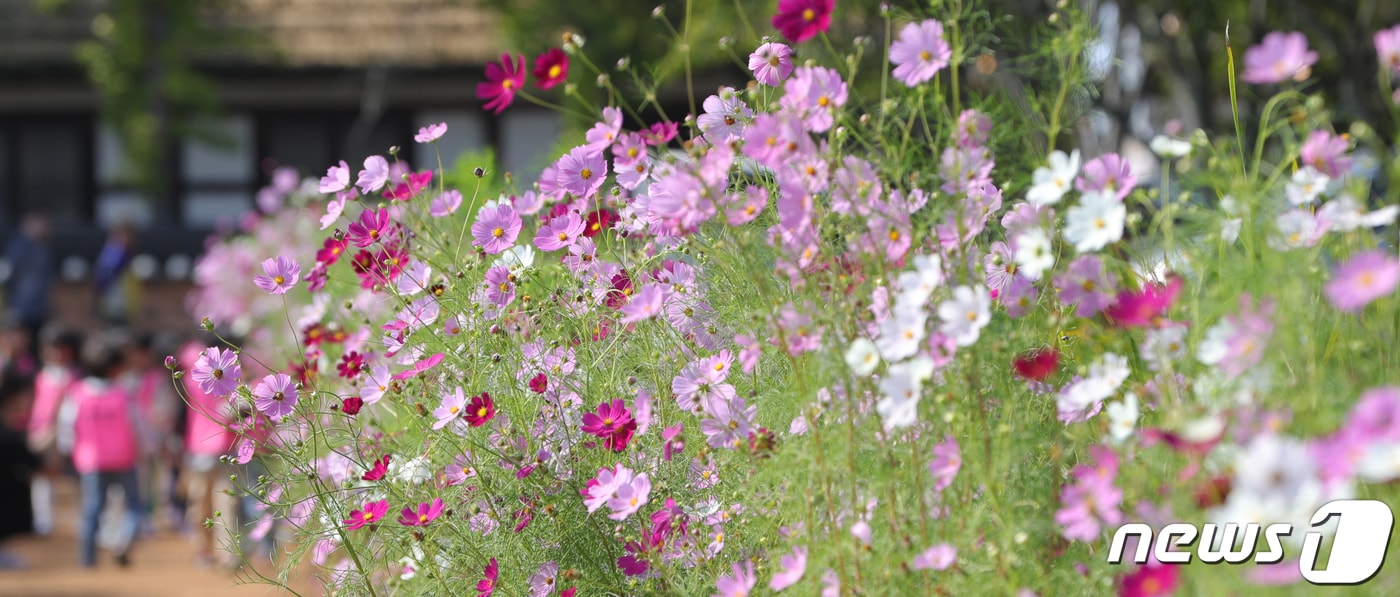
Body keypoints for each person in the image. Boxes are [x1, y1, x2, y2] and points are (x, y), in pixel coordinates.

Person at [57, 329, 149, 568]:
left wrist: (66, 450)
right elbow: (136, 424)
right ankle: (123, 541)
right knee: (135, 506)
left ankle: (87, 560)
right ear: (114, 368)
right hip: (124, 459)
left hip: (91, 462)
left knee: (92, 511)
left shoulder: (77, 393)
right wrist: (146, 448)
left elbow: (67, 425)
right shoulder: (122, 394)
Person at [178, 334, 236, 567]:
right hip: (221, 447)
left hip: (202, 449)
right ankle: (226, 555)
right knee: (225, 503)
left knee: (201, 503)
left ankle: (207, 552)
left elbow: (183, 356)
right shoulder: (232, 376)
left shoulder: (195, 375)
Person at [26, 325, 83, 536]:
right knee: (42, 477)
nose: (57, 354)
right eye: (52, 348)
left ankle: (82, 520)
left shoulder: (76, 377)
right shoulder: (40, 376)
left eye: (62, 348)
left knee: (76, 478)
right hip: (43, 432)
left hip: (70, 434)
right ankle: (43, 519)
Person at [0, 367, 38, 569]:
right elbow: (38, 464)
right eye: (26, 395)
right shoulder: (8, 435)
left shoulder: (11, 431)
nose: (30, 400)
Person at [4, 213, 54, 358]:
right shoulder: (18, 248)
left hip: (39, 308)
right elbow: (8, 275)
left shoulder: (43, 248)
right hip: (21, 308)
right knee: (20, 345)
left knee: (37, 346)